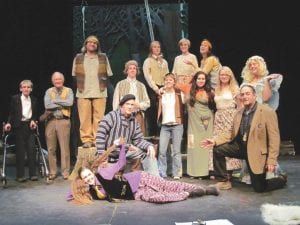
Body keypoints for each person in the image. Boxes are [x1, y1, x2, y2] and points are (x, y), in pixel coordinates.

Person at [68, 143, 219, 204]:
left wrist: (122, 148)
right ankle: (187, 194)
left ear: (92, 173)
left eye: (89, 175)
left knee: (168, 185)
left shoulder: (103, 173)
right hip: (135, 194)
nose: (88, 178)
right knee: (157, 198)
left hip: (138, 179)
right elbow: (73, 192)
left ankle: (203, 189)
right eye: (85, 177)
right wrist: (73, 192)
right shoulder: (92, 192)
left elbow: (121, 164)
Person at [201, 84, 287, 192]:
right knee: (218, 149)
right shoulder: (239, 112)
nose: (245, 97)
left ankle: (281, 179)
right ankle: (224, 181)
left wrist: (271, 161)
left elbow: (274, 138)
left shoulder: (267, 112)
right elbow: (231, 133)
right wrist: (214, 140)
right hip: (240, 148)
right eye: (242, 94)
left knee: (260, 188)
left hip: (256, 152)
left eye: (248, 94)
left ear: (254, 96)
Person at [240, 55, 283, 184]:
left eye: (255, 64)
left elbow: (265, 98)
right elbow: (242, 101)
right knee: (250, 144)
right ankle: (251, 173)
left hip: (262, 116)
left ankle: (269, 173)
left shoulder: (268, 80)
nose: (253, 66)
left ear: (261, 65)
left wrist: (265, 81)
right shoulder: (246, 82)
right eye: (250, 65)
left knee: (263, 145)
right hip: (249, 116)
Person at [96, 94, 159, 176]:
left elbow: (139, 140)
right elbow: (100, 136)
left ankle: (155, 180)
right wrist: (102, 156)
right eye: (127, 104)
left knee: (149, 153)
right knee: (105, 179)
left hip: (124, 152)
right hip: (109, 153)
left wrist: (149, 146)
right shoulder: (111, 117)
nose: (130, 107)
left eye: (132, 105)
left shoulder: (134, 121)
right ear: (121, 106)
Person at [72, 35, 113, 148]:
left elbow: (108, 73)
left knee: (99, 118)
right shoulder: (78, 58)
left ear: (97, 46)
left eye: (95, 43)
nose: (92, 44)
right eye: (90, 42)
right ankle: (86, 140)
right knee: (84, 117)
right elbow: (75, 74)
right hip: (83, 92)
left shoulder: (103, 57)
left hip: (100, 91)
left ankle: (97, 139)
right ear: (86, 45)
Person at [176, 71, 215, 178]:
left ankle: (206, 172)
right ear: (195, 79)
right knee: (193, 145)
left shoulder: (210, 91)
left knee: (205, 146)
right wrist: (162, 89)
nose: (201, 81)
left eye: (203, 79)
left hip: (207, 122)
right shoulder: (188, 88)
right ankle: (194, 172)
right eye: (199, 78)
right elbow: (173, 84)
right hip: (193, 123)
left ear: (206, 80)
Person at [209, 66, 242, 180]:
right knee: (217, 142)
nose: (224, 77)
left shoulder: (235, 88)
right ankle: (219, 170)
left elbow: (240, 106)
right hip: (219, 117)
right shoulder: (216, 89)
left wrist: (238, 120)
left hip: (231, 116)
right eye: (222, 75)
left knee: (229, 142)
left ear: (230, 76)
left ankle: (230, 170)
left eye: (226, 75)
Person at [4, 80, 38, 182]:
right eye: (24, 87)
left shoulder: (34, 99)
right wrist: (9, 123)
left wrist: (33, 120)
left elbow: (35, 114)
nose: (26, 89)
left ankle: (32, 174)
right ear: (20, 89)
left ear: (31, 89)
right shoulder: (15, 99)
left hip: (29, 126)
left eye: (28, 87)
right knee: (20, 151)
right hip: (19, 126)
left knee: (31, 150)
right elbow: (11, 112)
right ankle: (20, 175)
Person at [43, 72, 74, 180]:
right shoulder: (48, 91)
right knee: (51, 148)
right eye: (55, 79)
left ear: (63, 80)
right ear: (53, 81)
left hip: (63, 121)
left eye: (59, 79)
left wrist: (55, 101)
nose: (58, 81)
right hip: (51, 121)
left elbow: (70, 103)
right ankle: (53, 172)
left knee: (64, 148)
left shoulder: (68, 90)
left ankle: (65, 172)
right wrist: (61, 104)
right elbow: (47, 105)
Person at [157, 73, 185, 179]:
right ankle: (162, 172)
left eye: (170, 80)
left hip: (177, 124)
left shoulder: (179, 93)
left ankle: (176, 173)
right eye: (166, 80)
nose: (168, 82)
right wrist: (161, 90)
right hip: (165, 126)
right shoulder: (161, 93)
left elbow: (186, 102)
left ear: (174, 82)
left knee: (176, 151)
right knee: (162, 151)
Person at [112, 60, 150, 134]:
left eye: (134, 68)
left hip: (137, 115)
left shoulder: (141, 86)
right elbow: (115, 102)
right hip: (123, 116)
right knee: (123, 138)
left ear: (137, 71)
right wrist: (117, 116)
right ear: (127, 71)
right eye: (130, 68)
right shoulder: (120, 84)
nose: (132, 70)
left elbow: (147, 102)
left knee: (138, 139)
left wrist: (138, 105)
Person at [143, 40, 169, 136]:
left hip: (164, 87)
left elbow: (167, 75)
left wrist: (165, 87)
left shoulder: (164, 62)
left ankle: (164, 132)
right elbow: (147, 76)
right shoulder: (148, 61)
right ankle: (153, 133)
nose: (157, 49)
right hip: (152, 89)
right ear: (151, 49)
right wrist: (156, 89)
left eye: (158, 47)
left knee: (164, 109)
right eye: (154, 47)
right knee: (153, 110)